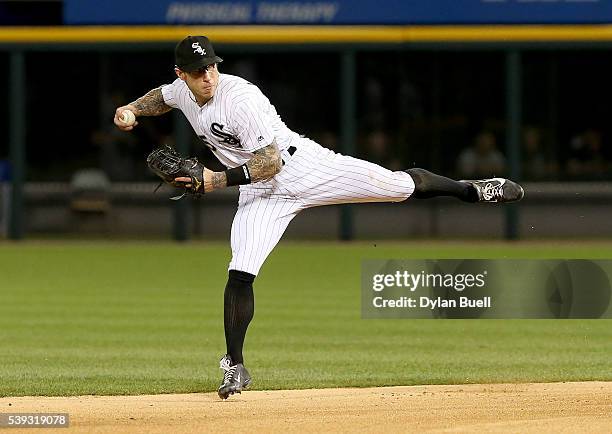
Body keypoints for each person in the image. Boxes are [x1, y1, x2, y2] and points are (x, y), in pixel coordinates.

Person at [113, 36, 524, 400]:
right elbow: (162, 97)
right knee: (241, 270)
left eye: (212, 66)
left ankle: (471, 191)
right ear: (182, 73)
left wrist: (217, 179)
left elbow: (270, 161)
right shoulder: (183, 91)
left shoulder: (240, 98)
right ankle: (234, 365)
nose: (208, 76)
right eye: (198, 71)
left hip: (302, 167)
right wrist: (131, 110)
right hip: (260, 195)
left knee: (398, 187)